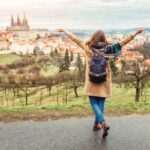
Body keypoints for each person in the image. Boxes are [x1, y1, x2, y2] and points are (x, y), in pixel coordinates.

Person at [56, 28, 144, 138]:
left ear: (93, 37)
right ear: (104, 38)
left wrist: (65, 31)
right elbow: (123, 42)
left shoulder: (87, 47)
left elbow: (76, 40)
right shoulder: (108, 49)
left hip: (91, 78)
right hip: (104, 78)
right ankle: (97, 124)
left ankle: (101, 122)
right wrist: (136, 32)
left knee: (93, 101)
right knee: (101, 100)